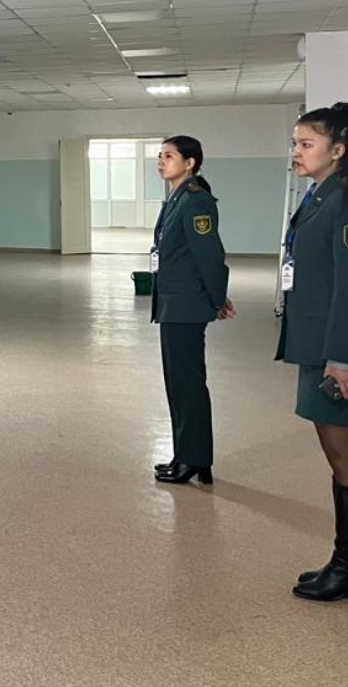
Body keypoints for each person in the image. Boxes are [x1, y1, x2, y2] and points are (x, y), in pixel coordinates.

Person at [280, 103, 348, 603]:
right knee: (336, 456)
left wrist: (343, 359)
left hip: (335, 352)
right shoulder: (320, 195)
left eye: (306, 144)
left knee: (346, 459)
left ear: (338, 150)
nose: (296, 152)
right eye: (295, 143)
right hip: (318, 345)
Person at [148, 136, 231, 487]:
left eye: (169, 156)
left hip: (185, 305)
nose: (161, 161)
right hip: (174, 302)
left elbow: (209, 255)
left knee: (187, 385)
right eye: (160, 156)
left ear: (190, 162)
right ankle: (188, 455)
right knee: (180, 384)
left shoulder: (196, 201)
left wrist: (217, 298)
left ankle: (194, 458)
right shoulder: (177, 198)